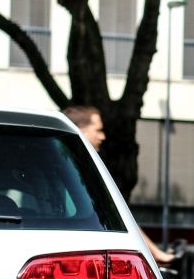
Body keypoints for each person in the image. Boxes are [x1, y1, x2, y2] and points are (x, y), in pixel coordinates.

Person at [61, 105, 175, 265]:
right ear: (80, 129)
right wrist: (156, 254)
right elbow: (117, 214)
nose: (103, 137)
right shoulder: (78, 172)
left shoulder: (64, 166)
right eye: (98, 130)